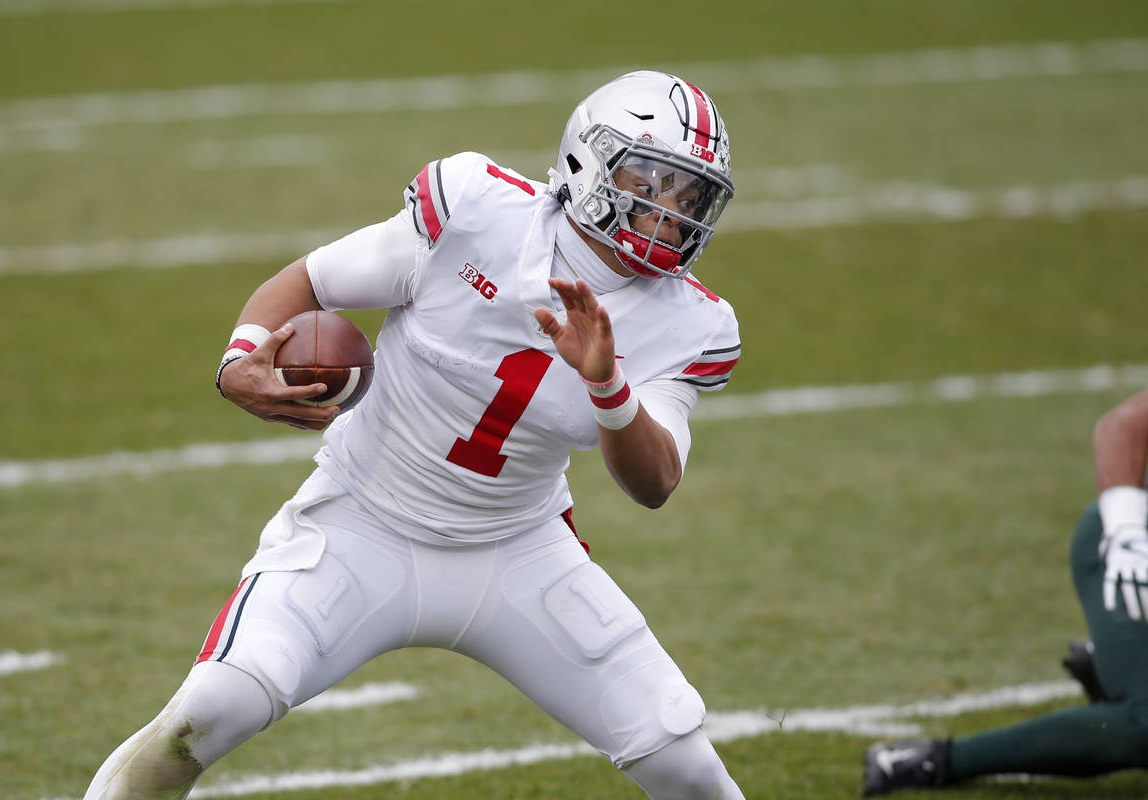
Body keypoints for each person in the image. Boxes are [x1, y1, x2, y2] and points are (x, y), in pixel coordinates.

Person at [82, 71, 745, 799]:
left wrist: (607, 386)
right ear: (592, 165)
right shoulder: (476, 210)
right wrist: (241, 357)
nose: (673, 215)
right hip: (360, 522)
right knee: (205, 715)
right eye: (655, 184)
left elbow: (654, 485)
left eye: (690, 199)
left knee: (685, 761)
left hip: (517, 549)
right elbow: (311, 282)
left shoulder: (693, 323)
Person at [860, 388, 1148, 796]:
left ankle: (1119, 663)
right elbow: (1123, 426)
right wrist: (1127, 532)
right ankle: (933, 759)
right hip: (1128, 559)